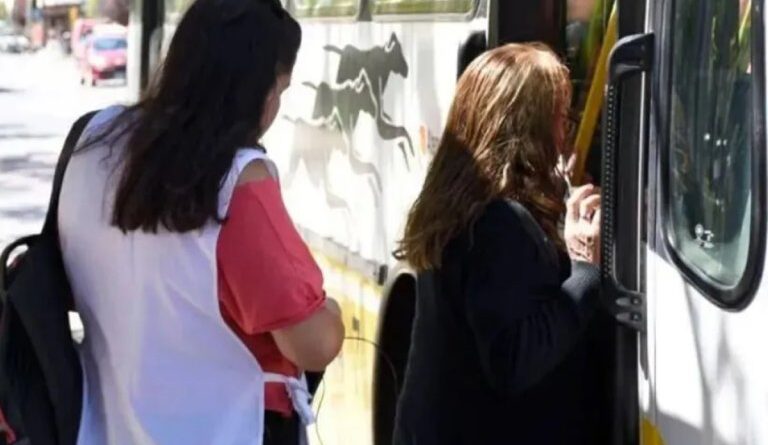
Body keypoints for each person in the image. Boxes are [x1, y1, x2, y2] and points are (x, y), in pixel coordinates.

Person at [57, 1, 344, 444]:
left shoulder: (93, 138)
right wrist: (332, 313)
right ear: (257, 88)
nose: (275, 107)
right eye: (279, 90)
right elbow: (312, 344)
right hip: (223, 429)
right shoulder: (237, 181)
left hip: (100, 427)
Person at [392, 43, 604, 444]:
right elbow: (515, 360)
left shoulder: (462, 205)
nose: (565, 136)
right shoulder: (497, 223)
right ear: (530, 131)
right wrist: (584, 270)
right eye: (561, 120)